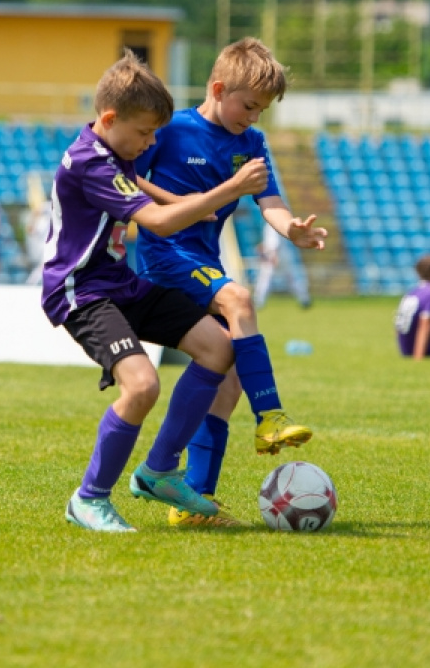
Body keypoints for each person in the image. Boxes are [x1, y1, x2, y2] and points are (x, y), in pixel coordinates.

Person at [40, 50, 269, 533]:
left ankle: (159, 469)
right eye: (144, 133)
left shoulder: (109, 150)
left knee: (218, 346)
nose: (150, 142)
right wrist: (226, 190)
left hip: (120, 284)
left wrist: (181, 199)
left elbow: (144, 189)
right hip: (82, 291)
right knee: (143, 385)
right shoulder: (90, 163)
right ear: (109, 118)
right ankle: (88, 498)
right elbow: (160, 224)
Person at [134, 37, 327, 527]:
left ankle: (194, 501)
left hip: (205, 261)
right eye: (249, 106)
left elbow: (272, 203)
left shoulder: (251, 144)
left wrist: (293, 231)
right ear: (218, 88)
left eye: (262, 110)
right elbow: (129, 179)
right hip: (165, 256)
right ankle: (270, 419)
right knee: (240, 296)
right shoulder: (171, 130)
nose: (255, 117)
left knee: (232, 371)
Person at [253, 221, 311, 309]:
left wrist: (274, 255)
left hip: (275, 254)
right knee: (292, 278)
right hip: (283, 254)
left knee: (265, 279)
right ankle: (304, 299)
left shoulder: (272, 224)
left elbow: (273, 242)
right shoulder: (276, 223)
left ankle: (259, 301)